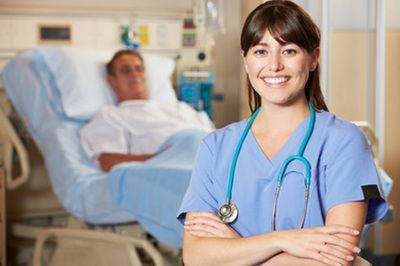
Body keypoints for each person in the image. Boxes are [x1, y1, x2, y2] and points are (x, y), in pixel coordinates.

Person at [177, 1, 388, 265]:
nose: (274, 65)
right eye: (261, 51)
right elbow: (196, 257)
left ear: (313, 58)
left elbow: (338, 257)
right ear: (245, 61)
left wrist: (236, 249)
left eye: (289, 51)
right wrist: (281, 240)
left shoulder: (343, 141)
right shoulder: (215, 147)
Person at [80, 49, 214, 172]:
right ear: (112, 81)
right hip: (173, 169)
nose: (135, 74)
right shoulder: (111, 115)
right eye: (126, 70)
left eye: (139, 69)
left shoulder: (181, 109)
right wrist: (163, 157)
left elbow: (218, 143)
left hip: (210, 162)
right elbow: (108, 161)